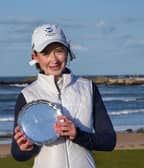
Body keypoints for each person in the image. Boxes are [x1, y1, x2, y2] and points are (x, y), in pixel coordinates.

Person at [11, 24, 116, 168]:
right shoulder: (27, 95)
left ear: (68, 51)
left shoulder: (88, 88)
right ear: (35, 56)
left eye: (59, 51)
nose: (54, 60)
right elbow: (17, 153)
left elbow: (109, 140)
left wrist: (77, 135)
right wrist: (26, 148)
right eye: (46, 53)